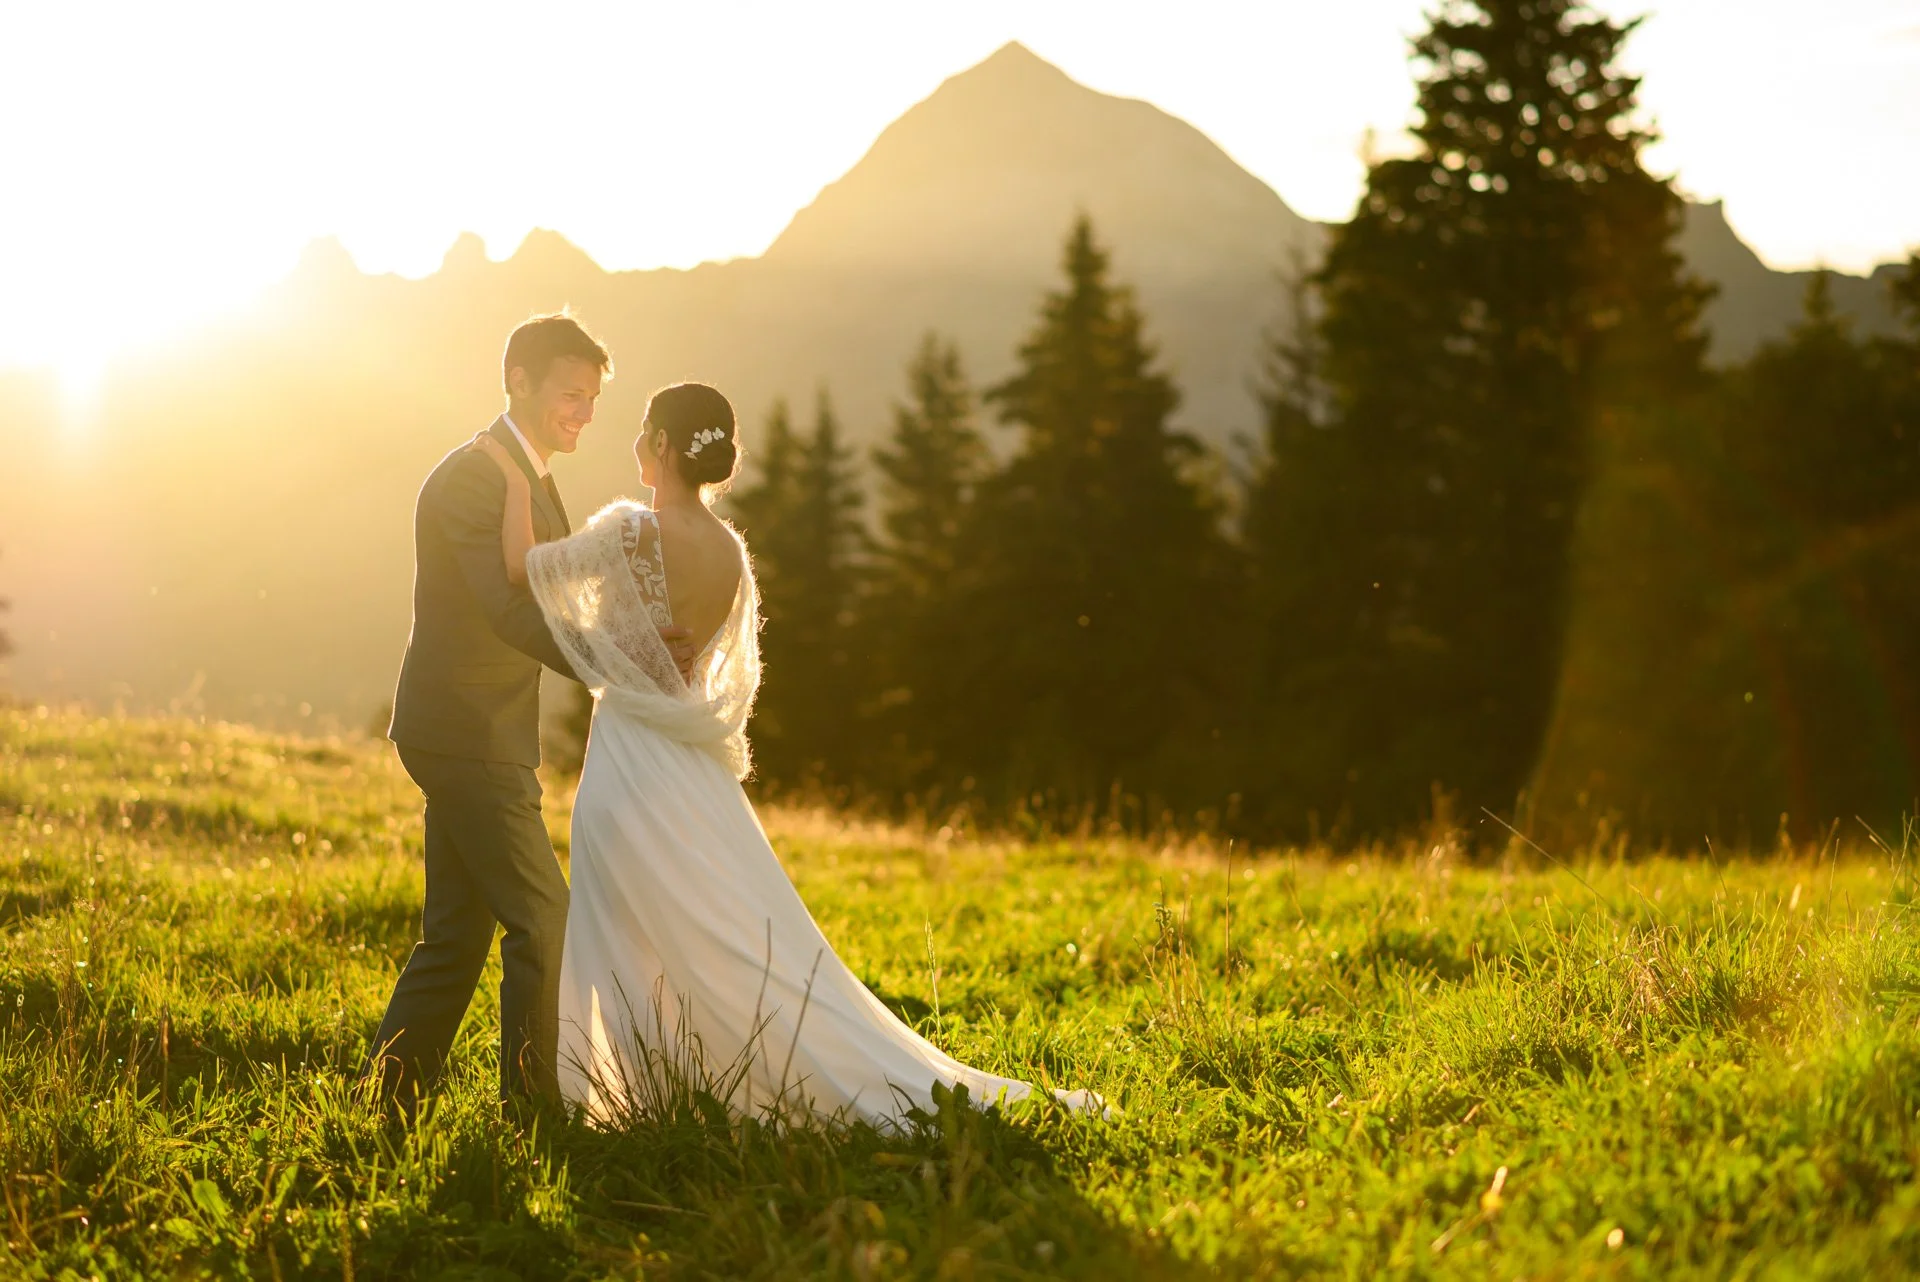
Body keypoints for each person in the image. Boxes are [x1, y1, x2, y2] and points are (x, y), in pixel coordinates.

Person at [468, 380, 1104, 1126]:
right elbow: (695, 664)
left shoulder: (630, 531)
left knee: (622, 922)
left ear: (666, 446)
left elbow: (523, 569)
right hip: (691, 769)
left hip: (632, 759)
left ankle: (638, 1095)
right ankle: (672, 1088)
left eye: (646, 431)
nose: (637, 444)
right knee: (713, 926)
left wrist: (514, 476)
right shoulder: (730, 553)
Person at [370, 313, 695, 1112]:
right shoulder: (478, 476)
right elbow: (506, 610)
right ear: (519, 381)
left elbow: (550, 585)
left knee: (455, 936)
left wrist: (639, 630)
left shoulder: (527, 471)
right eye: (570, 394)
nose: (584, 411)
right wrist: (621, 671)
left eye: (591, 398)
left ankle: (386, 1104)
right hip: (465, 731)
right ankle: (535, 1116)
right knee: (543, 916)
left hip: (482, 731)